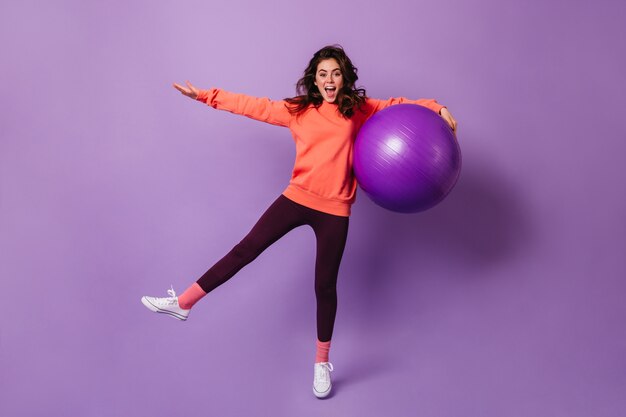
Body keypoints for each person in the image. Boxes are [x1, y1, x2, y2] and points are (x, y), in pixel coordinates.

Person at [141, 45, 457, 399]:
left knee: (324, 286)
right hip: (296, 199)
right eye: (323, 74)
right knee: (245, 250)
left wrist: (438, 107)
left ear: (345, 77)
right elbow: (252, 106)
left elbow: (399, 105)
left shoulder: (357, 110)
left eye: (335, 73)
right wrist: (203, 95)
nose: (329, 81)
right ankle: (183, 303)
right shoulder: (299, 110)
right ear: (314, 79)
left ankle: (322, 364)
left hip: (335, 209)